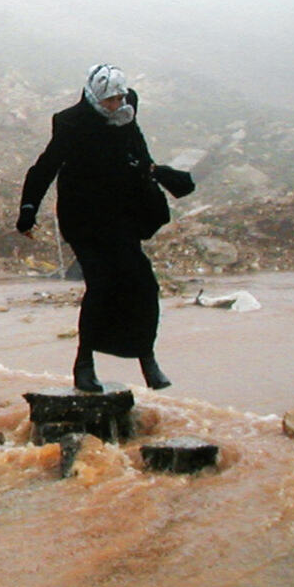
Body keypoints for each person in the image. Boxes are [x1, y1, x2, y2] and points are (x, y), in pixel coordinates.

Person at [16, 63, 180, 391]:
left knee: (144, 285)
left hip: (121, 219)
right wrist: (28, 209)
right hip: (84, 220)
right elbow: (45, 167)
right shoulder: (71, 123)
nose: (116, 105)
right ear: (95, 97)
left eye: (120, 99)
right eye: (110, 100)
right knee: (102, 286)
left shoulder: (126, 119)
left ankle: (146, 358)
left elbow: (142, 159)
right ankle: (84, 365)